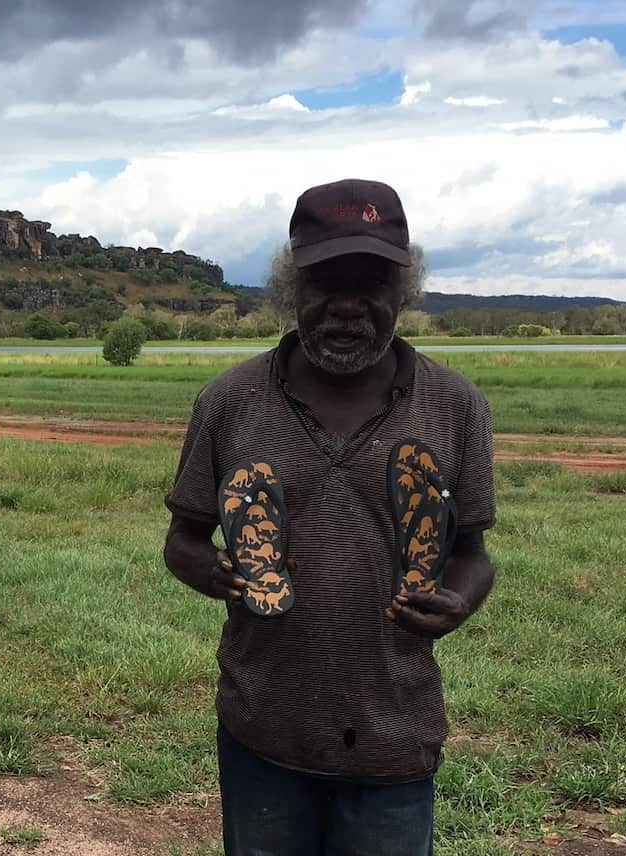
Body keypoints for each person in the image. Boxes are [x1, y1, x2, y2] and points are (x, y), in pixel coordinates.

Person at [162, 178, 496, 855]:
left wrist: (459, 599)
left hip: (396, 731)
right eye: (324, 284)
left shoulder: (456, 406)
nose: (347, 307)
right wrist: (213, 570)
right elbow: (182, 540)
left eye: (370, 285)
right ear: (293, 291)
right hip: (264, 726)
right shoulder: (228, 402)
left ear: (402, 293)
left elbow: (472, 551)